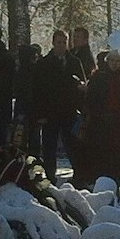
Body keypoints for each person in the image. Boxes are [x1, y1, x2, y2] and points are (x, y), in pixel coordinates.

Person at [29, 30, 85, 181]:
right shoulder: (43, 63)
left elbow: (82, 85)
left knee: (73, 145)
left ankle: (78, 176)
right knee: (49, 146)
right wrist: (40, 114)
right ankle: (50, 176)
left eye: (64, 42)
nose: (61, 45)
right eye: (58, 42)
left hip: (69, 111)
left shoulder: (74, 62)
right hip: (50, 112)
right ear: (53, 43)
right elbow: (37, 90)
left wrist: (79, 97)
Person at [81, 50, 120, 182]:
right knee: (99, 154)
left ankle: (112, 183)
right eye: (112, 60)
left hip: (118, 122)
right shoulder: (98, 77)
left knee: (115, 157)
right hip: (99, 121)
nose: (114, 64)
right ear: (107, 61)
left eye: (118, 61)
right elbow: (90, 99)